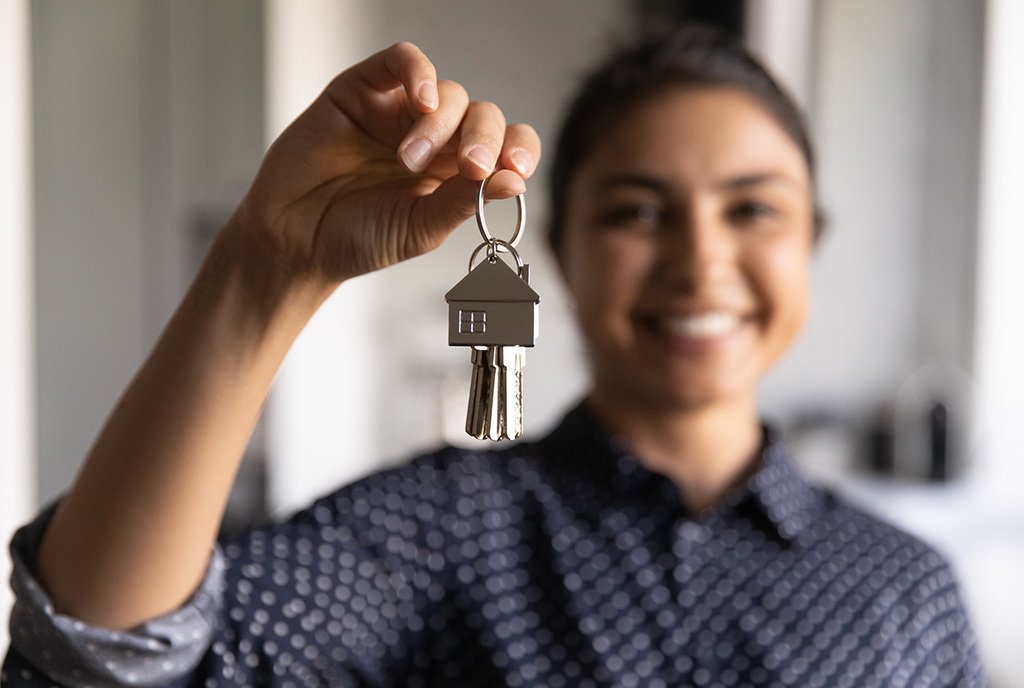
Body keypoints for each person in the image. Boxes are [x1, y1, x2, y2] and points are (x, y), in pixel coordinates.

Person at [4, 26, 986, 687]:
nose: (700, 259)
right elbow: (102, 655)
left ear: (811, 239)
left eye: (753, 208)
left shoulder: (906, 588)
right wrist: (268, 265)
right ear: (554, 247)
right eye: (636, 210)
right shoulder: (441, 531)